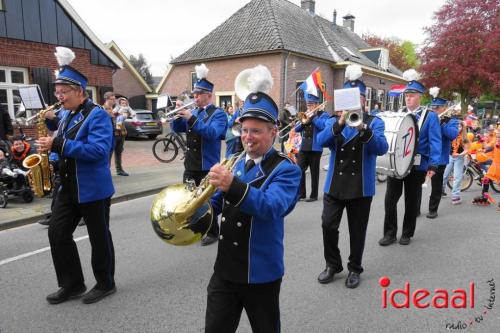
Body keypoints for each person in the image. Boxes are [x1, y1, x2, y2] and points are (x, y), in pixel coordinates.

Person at [205, 64, 301, 333]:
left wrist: (231, 185)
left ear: (273, 132)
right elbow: (216, 203)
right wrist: (198, 209)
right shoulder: (234, 161)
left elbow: (272, 207)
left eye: (256, 131)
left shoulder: (286, 169)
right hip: (225, 270)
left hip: (260, 272)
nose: (248, 137)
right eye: (244, 130)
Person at [37, 46, 116, 305]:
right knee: (57, 233)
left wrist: (57, 144)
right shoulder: (66, 114)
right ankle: (72, 284)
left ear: (80, 92)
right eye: (57, 92)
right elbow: (62, 134)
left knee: (99, 238)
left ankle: (105, 283)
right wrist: (50, 142)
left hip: (93, 188)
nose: (59, 97)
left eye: (64, 92)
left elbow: (99, 151)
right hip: (68, 187)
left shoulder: (99, 115)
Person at [316, 64, 388, 288]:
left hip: (360, 186)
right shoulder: (332, 121)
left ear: (364, 100)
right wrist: (339, 123)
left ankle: (354, 268)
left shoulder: (375, 122)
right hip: (335, 184)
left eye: (359, 99)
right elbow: (320, 142)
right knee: (328, 225)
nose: (355, 104)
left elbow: (382, 148)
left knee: (357, 232)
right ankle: (333, 264)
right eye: (350, 99)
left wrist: (363, 130)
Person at [379, 69, 441, 246]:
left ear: (420, 96)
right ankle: (390, 233)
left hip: (417, 165)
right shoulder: (399, 113)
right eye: (407, 95)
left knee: (411, 201)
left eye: (412, 95)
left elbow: (436, 143)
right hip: (397, 163)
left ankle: (407, 233)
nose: (408, 98)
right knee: (390, 199)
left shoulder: (430, 116)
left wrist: (433, 165)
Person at [171, 63, 227, 246]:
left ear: (208, 95)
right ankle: (196, 226)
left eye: (198, 94)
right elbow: (177, 128)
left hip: (207, 164)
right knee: (190, 198)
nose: (194, 97)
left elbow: (213, 133)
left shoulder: (218, 114)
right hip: (191, 163)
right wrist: (176, 116)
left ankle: (212, 232)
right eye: (194, 94)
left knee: (207, 200)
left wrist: (192, 118)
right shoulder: (192, 112)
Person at [425, 88, 459, 219]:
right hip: (425, 156)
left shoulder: (451, 121)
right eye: (432, 107)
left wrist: (440, 124)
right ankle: (414, 209)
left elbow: (453, 135)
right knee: (416, 184)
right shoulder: (427, 118)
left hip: (440, 158)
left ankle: (432, 209)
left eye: (437, 108)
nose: (434, 110)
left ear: (444, 108)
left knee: (436, 186)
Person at [294, 93, 329, 202]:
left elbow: (323, 126)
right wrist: (304, 121)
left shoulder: (323, 115)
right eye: (308, 104)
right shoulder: (304, 114)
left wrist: (313, 117)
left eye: (312, 104)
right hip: (304, 147)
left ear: (317, 104)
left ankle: (313, 195)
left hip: (315, 147)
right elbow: (297, 129)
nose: (310, 106)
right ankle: (301, 194)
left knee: (314, 172)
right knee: (299, 170)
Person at [442, 121, 469, 204]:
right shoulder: (451, 135)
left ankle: (455, 196)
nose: (458, 128)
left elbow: (466, 150)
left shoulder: (464, 138)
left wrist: (459, 154)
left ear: (462, 128)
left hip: (459, 158)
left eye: (460, 127)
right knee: (444, 175)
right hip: (449, 157)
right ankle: (440, 191)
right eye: (457, 127)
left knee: (457, 177)